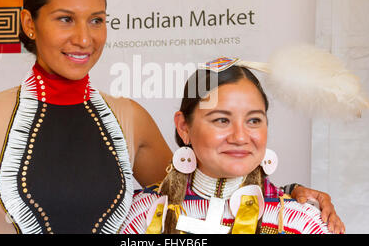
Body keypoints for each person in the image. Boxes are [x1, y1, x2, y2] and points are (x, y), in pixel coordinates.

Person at [0, 0, 342, 234]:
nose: (84, 37)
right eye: (65, 19)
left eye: (96, 19)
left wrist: (290, 194)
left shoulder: (128, 118)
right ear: (29, 23)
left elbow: (198, 190)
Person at [120, 64, 345, 234]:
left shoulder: (302, 223)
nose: (239, 137)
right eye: (221, 120)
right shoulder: (139, 216)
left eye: (254, 120)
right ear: (184, 127)